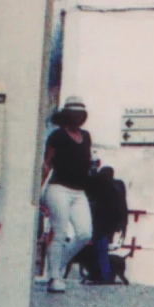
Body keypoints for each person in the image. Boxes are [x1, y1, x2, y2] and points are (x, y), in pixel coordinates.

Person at [39, 97, 94, 292]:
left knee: (84, 233)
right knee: (59, 232)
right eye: (75, 114)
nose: (78, 118)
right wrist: (38, 189)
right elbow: (47, 163)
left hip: (79, 192)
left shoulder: (86, 136)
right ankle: (55, 278)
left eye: (81, 114)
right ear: (67, 116)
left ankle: (56, 267)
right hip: (58, 189)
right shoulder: (57, 136)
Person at [85, 161, 129, 284]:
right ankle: (103, 274)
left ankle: (103, 275)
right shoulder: (118, 186)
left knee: (99, 250)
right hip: (112, 225)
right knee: (102, 250)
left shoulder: (103, 186)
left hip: (100, 224)